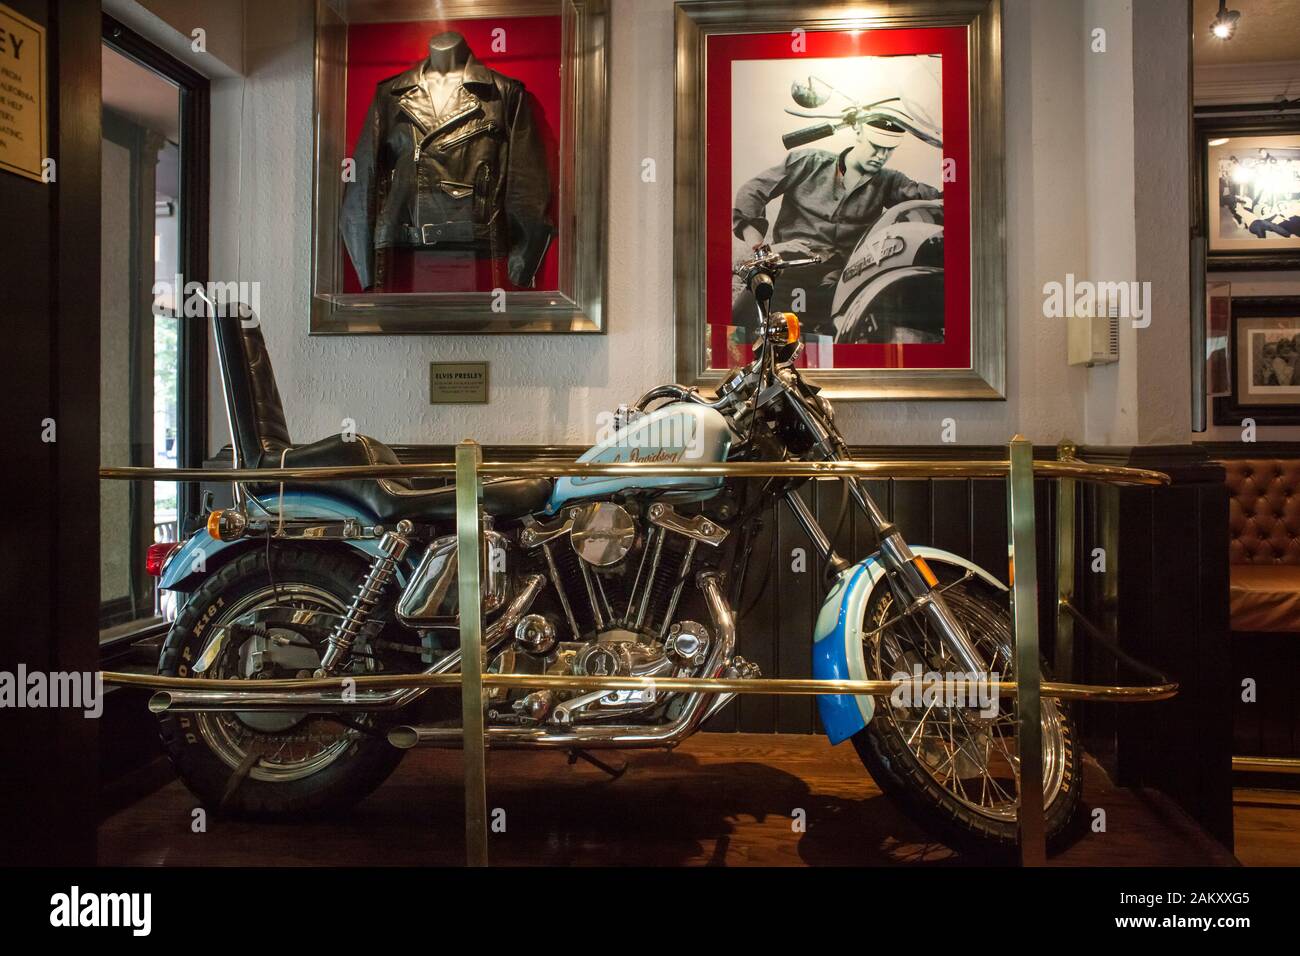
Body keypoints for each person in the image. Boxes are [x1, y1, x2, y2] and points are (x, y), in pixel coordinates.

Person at [731, 107, 941, 333]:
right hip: (792, 264)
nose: (881, 155)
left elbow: (931, 199)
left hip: (845, 275)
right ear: (859, 132)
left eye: (888, 149)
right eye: (876, 145)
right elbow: (752, 192)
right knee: (741, 324)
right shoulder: (808, 162)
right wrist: (760, 248)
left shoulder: (890, 180)